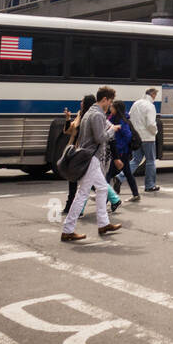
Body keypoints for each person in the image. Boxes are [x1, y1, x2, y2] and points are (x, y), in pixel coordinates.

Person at [61, 87, 123, 242]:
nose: (110, 105)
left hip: (88, 157)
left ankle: (103, 224)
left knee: (102, 189)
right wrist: (112, 130)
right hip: (91, 158)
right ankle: (68, 230)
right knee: (82, 193)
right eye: (110, 101)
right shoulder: (97, 115)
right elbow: (100, 138)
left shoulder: (90, 112)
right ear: (105, 99)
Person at [104, 101, 141, 201]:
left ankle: (105, 197)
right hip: (118, 151)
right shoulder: (112, 118)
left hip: (121, 152)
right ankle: (136, 194)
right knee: (127, 173)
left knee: (109, 174)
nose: (110, 109)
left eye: (112, 107)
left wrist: (118, 147)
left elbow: (128, 136)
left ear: (117, 109)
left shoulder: (122, 121)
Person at [128, 88, 161, 193]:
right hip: (148, 138)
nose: (155, 97)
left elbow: (130, 118)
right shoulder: (150, 106)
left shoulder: (135, 104)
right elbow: (151, 124)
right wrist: (155, 132)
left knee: (135, 160)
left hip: (136, 137)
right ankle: (150, 185)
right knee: (150, 161)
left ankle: (120, 177)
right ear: (152, 94)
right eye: (155, 95)